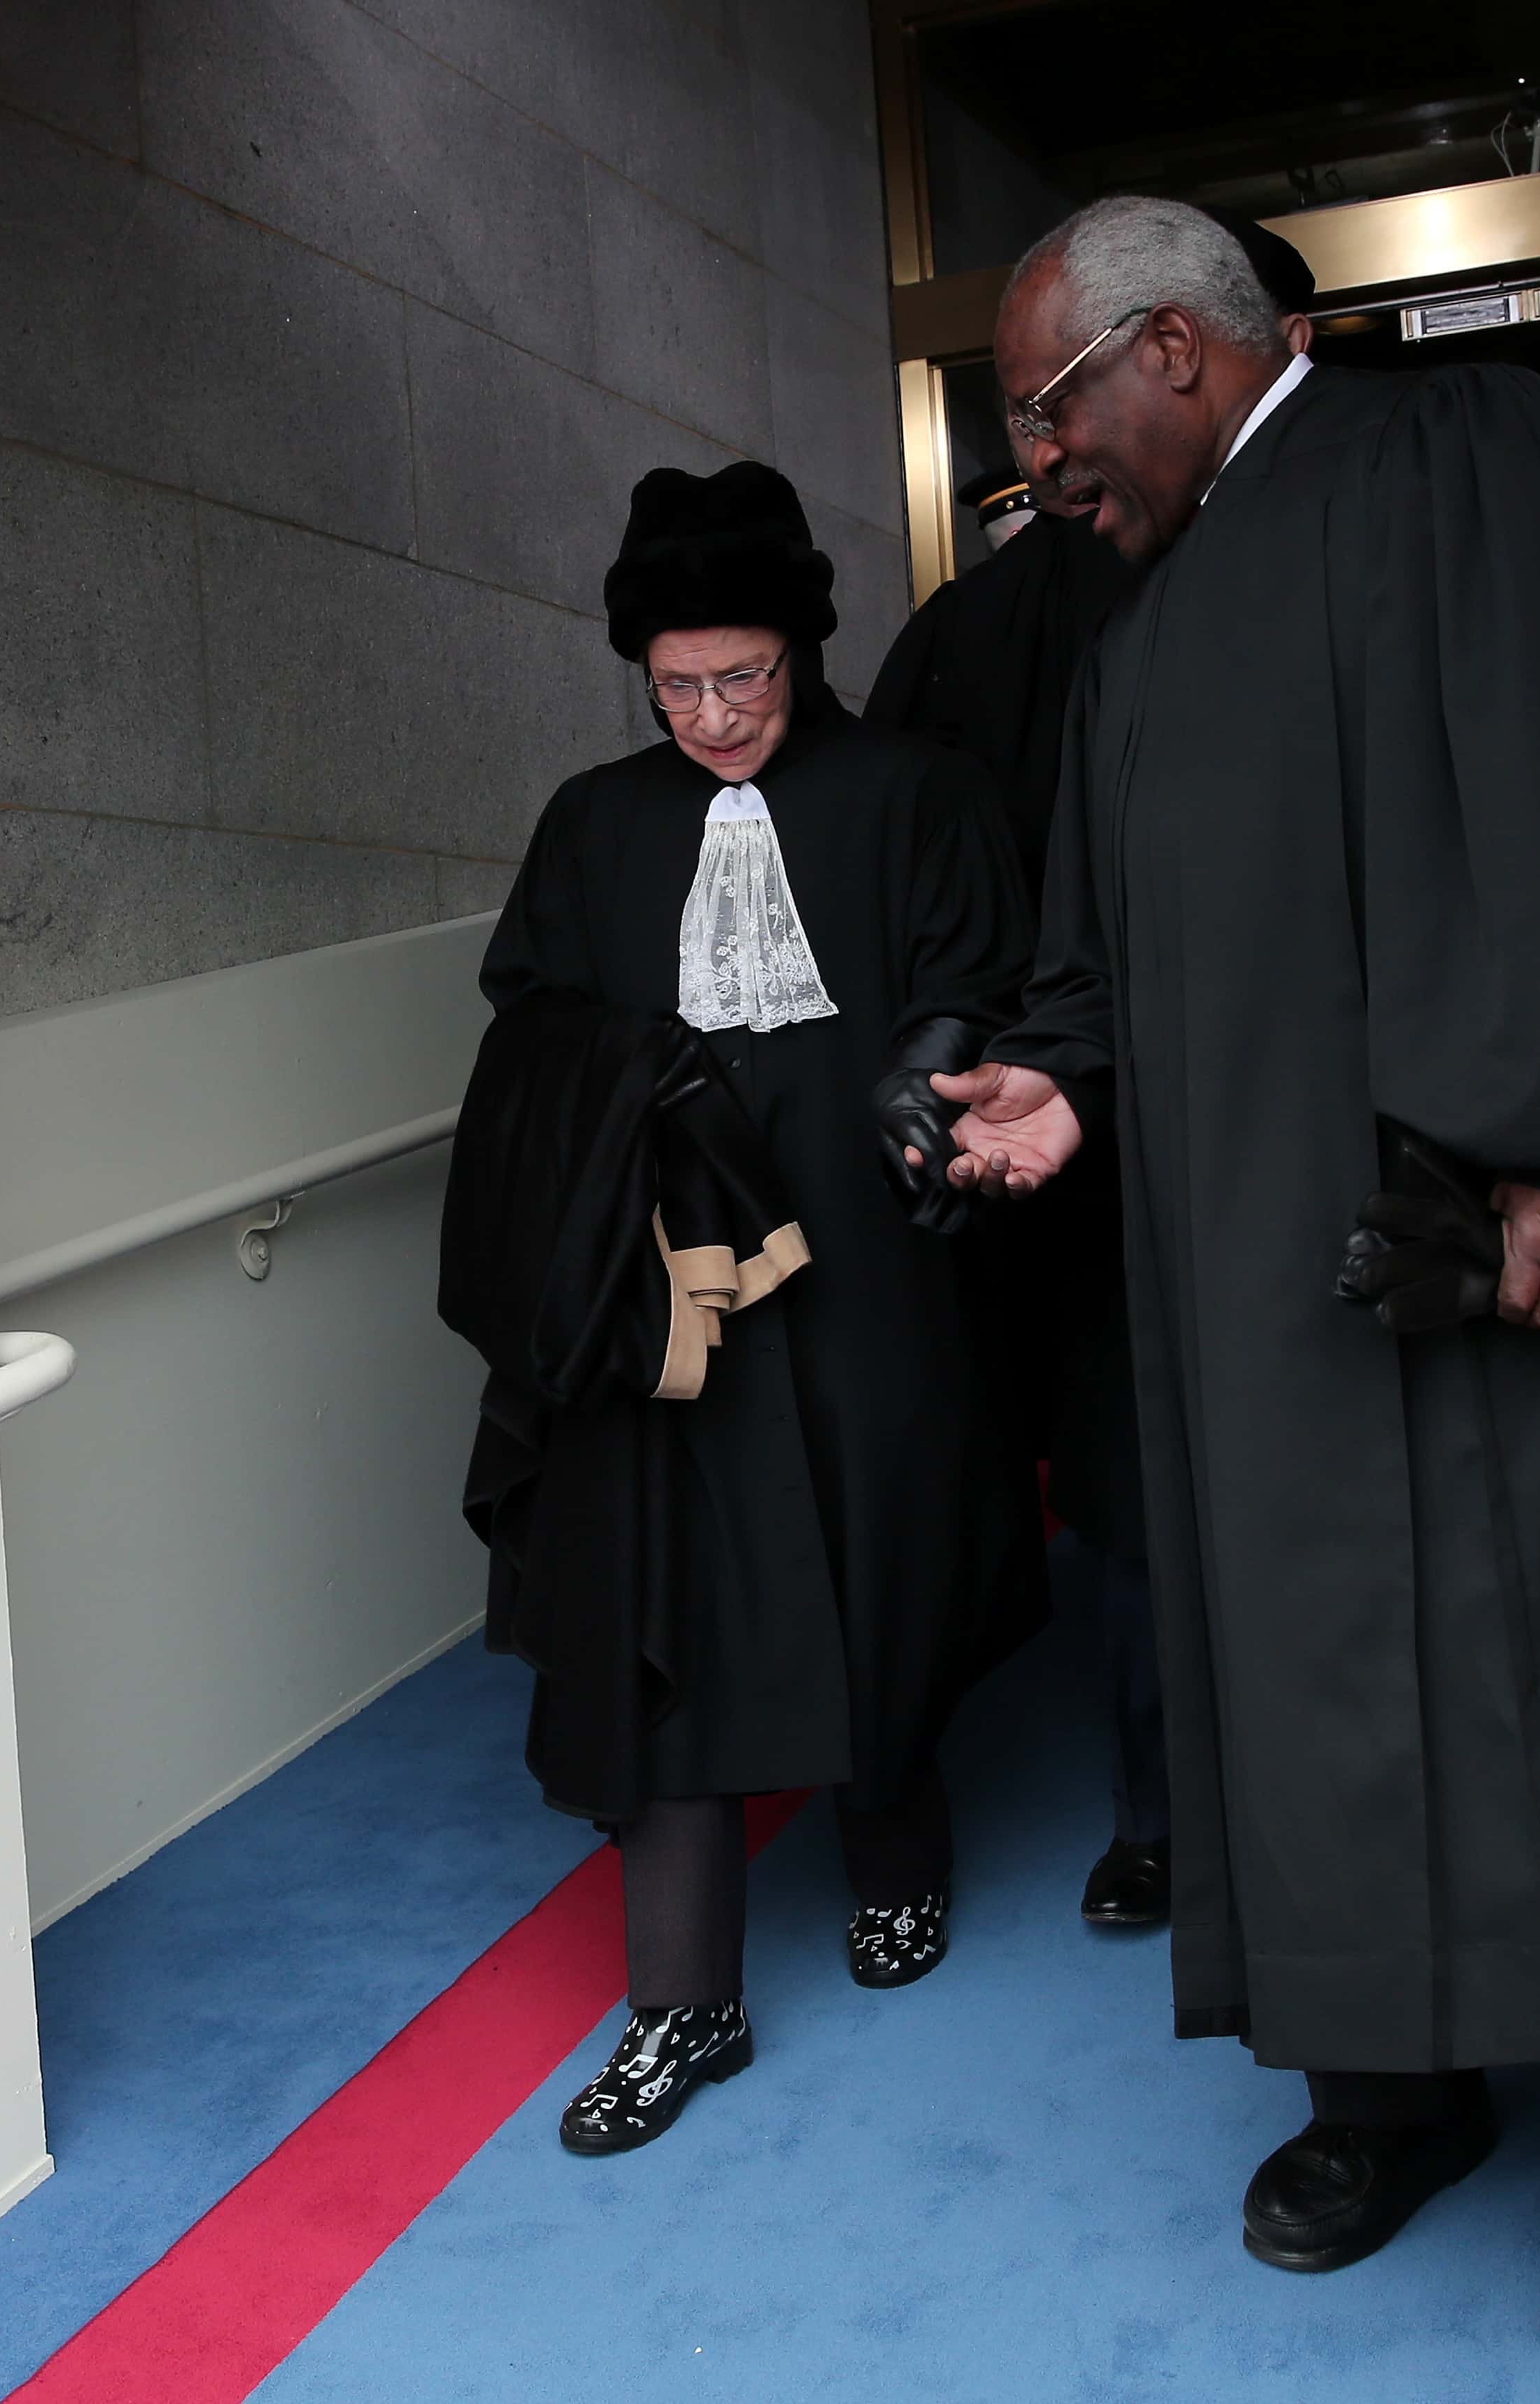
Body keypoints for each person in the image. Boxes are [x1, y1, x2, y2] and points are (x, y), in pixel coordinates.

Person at [920, 197, 1540, 2358]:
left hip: (1525, 1249)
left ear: (1175, 348)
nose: (1042, 468)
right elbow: (1120, 954)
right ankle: (1397, 2088)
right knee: (1316, 1689)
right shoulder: (1137, 630)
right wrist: (1060, 1086)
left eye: (1047, 412)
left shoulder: (1472, 456)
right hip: (1270, 1291)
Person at [448, 461, 1043, 2156]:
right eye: (681, 686)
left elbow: (980, 981)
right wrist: (632, 1089)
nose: (717, 716)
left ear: (804, 649)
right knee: (667, 1613)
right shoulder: (593, 822)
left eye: (749, 678)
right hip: (670, 1292)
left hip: (871, 1268)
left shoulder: (918, 791)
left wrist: (925, 1077)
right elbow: (527, 1027)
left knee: (885, 1570)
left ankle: (895, 1851)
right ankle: (682, 2000)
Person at [858, 204, 1320, 1930]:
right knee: (1141, 1491)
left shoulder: (1286, 568)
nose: (1053, 455)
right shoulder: (999, 632)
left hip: (1191, 1119)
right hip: (1097, 1132)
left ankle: (1187, 1826)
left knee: (1182, 1486)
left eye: (1058, 409)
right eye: (1035, 424)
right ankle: (1179, 1816)